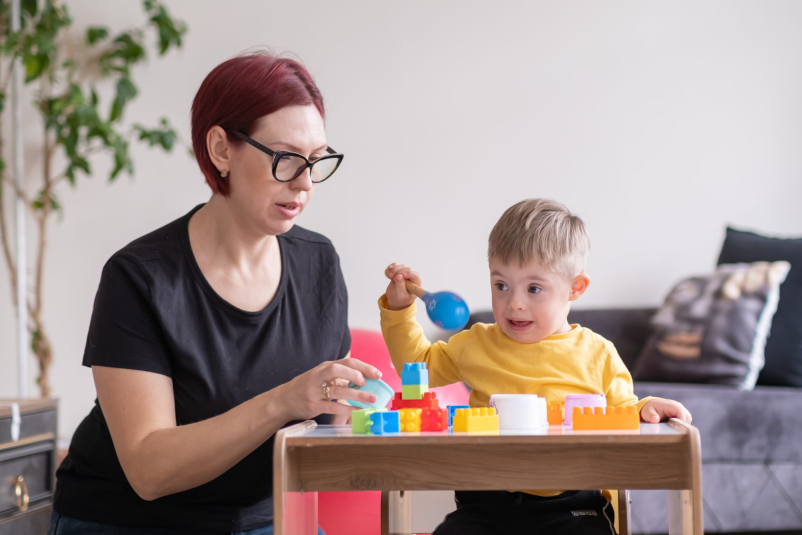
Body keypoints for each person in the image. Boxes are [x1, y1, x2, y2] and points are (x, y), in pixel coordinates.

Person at [49, 52, 382, 535]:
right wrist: (285, 400)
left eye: (316, 161)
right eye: (287, 159)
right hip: (131, 522)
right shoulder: (138, 278)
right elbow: (149, 471)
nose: (306, 183)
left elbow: (326, 420)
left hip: (267, 521)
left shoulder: (318, 263)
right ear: (221, 149)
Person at [379, 198, 692, 535]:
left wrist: (647, 408)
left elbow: (623, 411)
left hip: (572, 504)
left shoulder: (597, 354)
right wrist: (399, 311)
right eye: (501, 285)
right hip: (486, 503)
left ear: (575, 288)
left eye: (534, 288)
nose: (514, 303)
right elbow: (418, 365)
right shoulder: (476, 342)